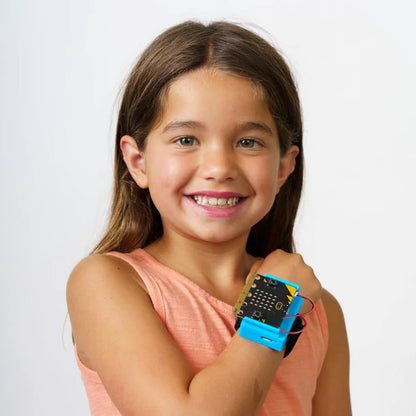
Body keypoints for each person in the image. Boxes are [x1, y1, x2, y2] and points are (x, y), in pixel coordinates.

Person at [67, 21, 351, 415]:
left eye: (248, 142)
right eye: (186, 140)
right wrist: (272, 303)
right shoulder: (106, 284)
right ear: (138, 162)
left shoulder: (319, 312)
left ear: (284, 167)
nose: (219, 167)